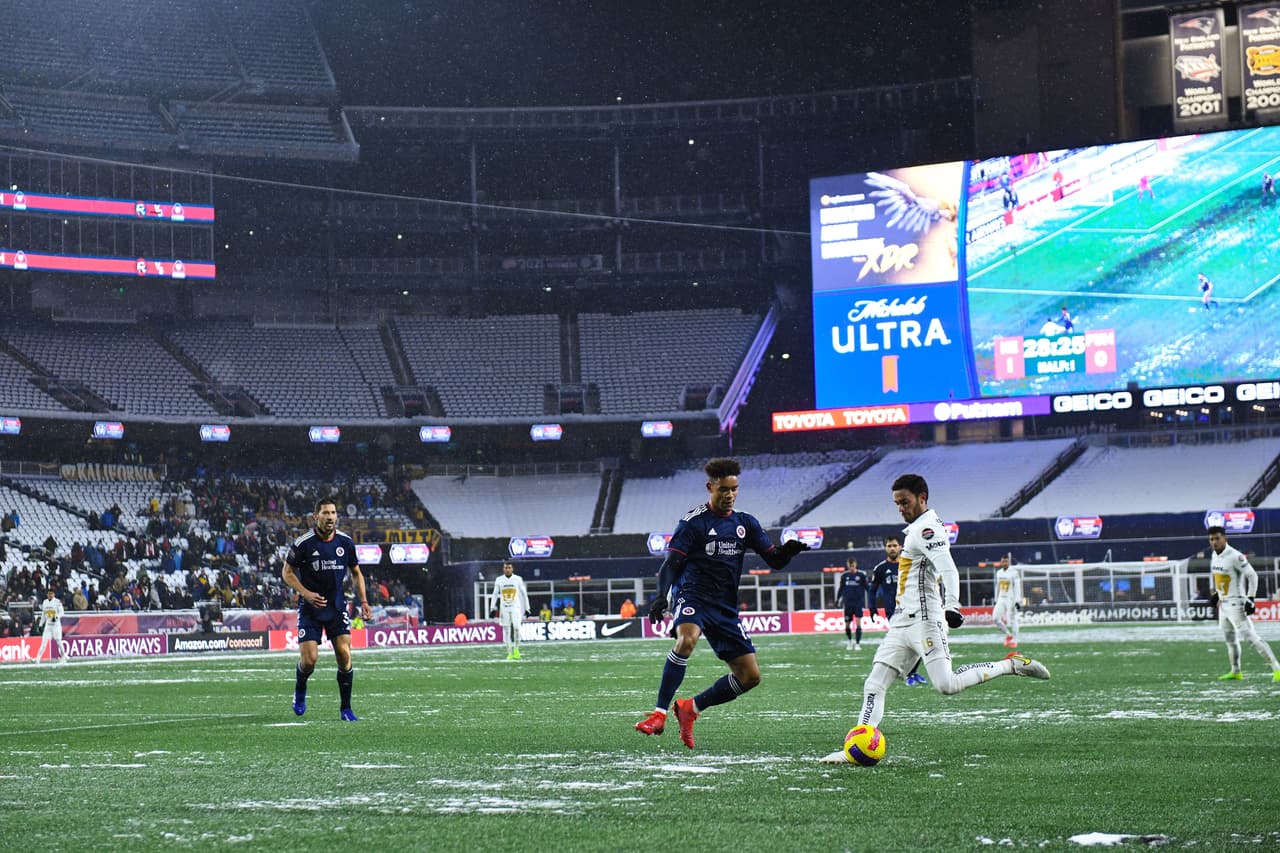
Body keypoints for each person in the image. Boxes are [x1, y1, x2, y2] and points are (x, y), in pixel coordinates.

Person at [821, 474, 1050, 763]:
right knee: (874, 684)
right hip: (901, 623)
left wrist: (953, 605)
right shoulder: (915, 528)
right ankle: (855, 747)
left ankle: (1010, 664)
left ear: (922, 498)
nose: (900, 508)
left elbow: (949, 569)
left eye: (905, 502)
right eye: (897, 504)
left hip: (926, 621)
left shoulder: (927, 529)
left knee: (946, 685)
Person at [635, 458, 809, 749]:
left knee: (750, 676)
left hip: (725, 607)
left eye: (734, 489)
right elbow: (671, 564)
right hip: (692, 596)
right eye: (723, 489)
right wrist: (661, 596)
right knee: (687, 640)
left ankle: (691, 708)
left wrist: (788, 552)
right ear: (710, 487)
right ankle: (659, 714)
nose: (729, 495)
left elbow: (775, 560)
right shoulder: (693, 523)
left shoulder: (745, 523)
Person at [281, 498, 371, 721]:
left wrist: (365, 601)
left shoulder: (345, 542)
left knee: (344, 654)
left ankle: (346, 709)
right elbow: (287, 572)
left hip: (336, 607)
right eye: (325, 513)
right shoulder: (304, 543)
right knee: (310, 660)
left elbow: (357, 573)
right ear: (316, 517)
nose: (330, 517)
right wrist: (306, 593)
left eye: (333, 512)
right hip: (311, 609)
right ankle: (300, 690)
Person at [1206, 526, 1280, 681]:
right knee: (1230, 640)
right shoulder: (1214, 555)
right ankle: (1236, 671)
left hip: (1236, 604)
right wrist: (1216, 594)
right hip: (1224, 605)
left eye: (1217, 538)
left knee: (1251, 638)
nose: (1214, 542)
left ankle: (1277, 669)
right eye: (1212, 539)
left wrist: (1250, 598)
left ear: (1225, 539)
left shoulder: (1235, 556)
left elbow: (1252, 576)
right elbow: (1221, 578)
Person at [871, 537, 925, 685]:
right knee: (905, 642)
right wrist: (872, 608)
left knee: (920, 638)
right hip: (893, 612)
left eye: (895, 545)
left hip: (912, 607)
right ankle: (905, 673)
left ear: (900, 547)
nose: (892, 548)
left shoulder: (909, 565)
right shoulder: (881, 568)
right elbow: (872, 589)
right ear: (885, 548)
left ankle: (910, 673)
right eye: (889, 546)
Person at [487, 562, 530, 661]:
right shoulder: (499, 580)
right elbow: (494, 594)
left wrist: (528, 608)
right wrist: (492, 608)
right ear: (503, 569)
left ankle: (516, 649)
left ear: (512, 569)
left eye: (509, 567)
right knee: (506, 631)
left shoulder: (518, 579)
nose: (507, 569)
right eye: (506, 568)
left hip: (516, 608)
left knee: (517, 628)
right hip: (504, 609)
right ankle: (509, 652)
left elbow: (524, 594)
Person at [835, 557, 869, 651]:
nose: (851, 568)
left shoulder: (861, 575)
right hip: (848, 604)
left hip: (858, 603)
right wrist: (838, 599)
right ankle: (850, 641)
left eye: (853, 566)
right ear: (848, 566)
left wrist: (871, 598)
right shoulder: (844, 576)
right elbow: (841, 588)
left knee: (858, 624)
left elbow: (867, 588)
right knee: (847, 625)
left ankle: (858, 644)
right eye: (850, 566)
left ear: (855, 565)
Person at [992, 555, 1023, 648]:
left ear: (1009, 562)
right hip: (1001, 598)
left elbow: (1017, 587)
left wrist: (1018, 600)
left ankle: (1015, 640)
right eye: (1003, 561)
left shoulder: (1014, 572)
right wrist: (995, 599)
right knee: (995, 618)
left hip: (1011, 598)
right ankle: (1008, 635)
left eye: (1006, 561)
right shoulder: (999, 573)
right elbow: (997, 587)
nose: (1005, 563)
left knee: (1013, 620)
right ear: (1001, 562)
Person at [34, 588, 66, 664]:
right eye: (49, 594)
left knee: (58, 642)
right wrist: (40, 624)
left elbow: (62, 613)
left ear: (54, 594)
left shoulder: (57, 602)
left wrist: (56, 617)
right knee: (44, 642)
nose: (50, 595)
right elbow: (43, 615)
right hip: (48, 625)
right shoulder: (45, 602)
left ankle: (63, 657)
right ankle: (38, 659)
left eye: (51, 593)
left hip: (56, 625)